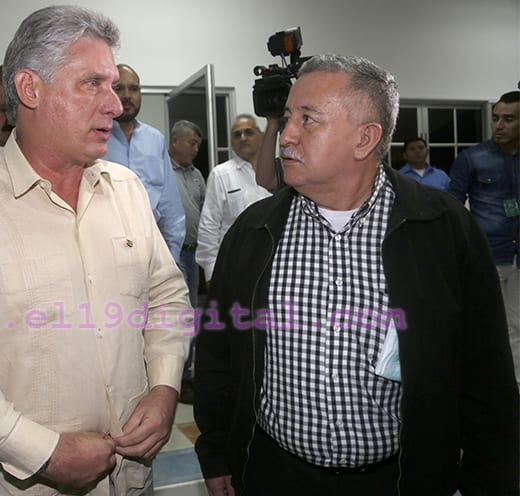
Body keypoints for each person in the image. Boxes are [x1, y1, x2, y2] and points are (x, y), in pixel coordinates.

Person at [0, 5, 190, 495]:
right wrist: (39, 450)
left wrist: (163, 386)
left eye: (113, 85)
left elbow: (167, 296)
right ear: (30, 90)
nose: (114, 104)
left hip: (132, 477)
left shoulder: (127, 189)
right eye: (92, 83)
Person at [194, 54, 519, 495]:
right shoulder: (255, 232)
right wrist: (215, 454)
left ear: (365, 139)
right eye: (288, 117)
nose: (286, 136)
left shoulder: (440, 230)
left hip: (399, 480)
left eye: (308, 120)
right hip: (274, 474)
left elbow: (485, 372)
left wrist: (490, 478)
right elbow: (218, 355)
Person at [448, 90, 519, 388]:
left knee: (516, 325)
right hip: (491, 256)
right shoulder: (472, 158)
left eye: (509, 119)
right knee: (493, 326)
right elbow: (451, 206)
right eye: (495, 118)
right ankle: (500, 387)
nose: (499, 125)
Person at [103, 64, 185, 262]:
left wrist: (171, 259)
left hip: (151, 249)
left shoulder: (155, 139)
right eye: (119, 88)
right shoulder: (95, 138)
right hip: (105, 249)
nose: (127, 95)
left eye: (134, 89)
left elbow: (170, 207)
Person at [195, 114, 271, 281]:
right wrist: (211, 273)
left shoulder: (278, 172)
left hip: (273, 268)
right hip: (235, 270)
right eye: (237, 134)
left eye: (248, 132)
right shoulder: (221, 175)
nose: (243, 138)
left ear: (261, 135)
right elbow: (209, 226)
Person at [169, 119, 205, 404]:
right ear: (175, 141)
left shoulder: (196, 176)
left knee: (190, 315)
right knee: (171, 315)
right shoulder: (161, 172)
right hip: (171, 252)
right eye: (192, 143)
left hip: (193, 253)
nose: (195, 149)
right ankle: (169, 378)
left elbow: (205, 213)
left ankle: (186, 375)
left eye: (198, 145)